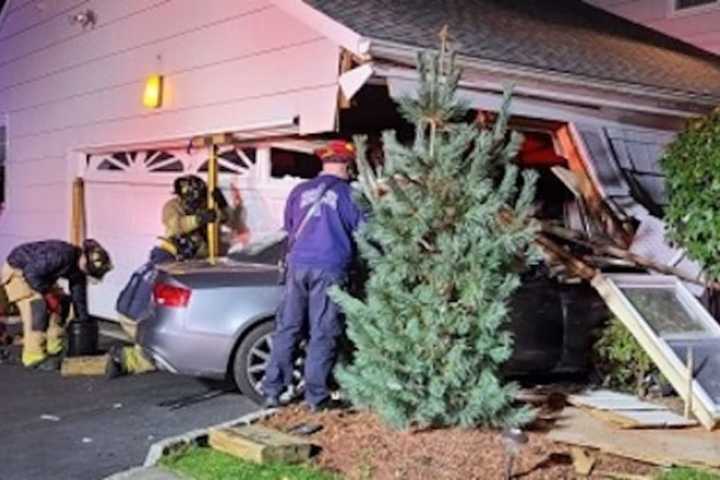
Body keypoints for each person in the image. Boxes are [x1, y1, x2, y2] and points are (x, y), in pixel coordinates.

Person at [106, 174, 242, 377]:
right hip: (144, 313)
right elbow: (175, 225)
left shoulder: (201, 206)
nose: (195, 201)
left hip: (188, 265)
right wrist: (201, 218)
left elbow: (226, 220)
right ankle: (134, 357)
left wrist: (222, 206)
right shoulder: (172, 207)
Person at [262, 140, 363, 411]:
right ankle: (316, 397)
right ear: (347, 164)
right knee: (323, 331)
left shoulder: (299, 191)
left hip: (297, 267)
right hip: (330, 267)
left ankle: (272, 390)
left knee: (289, 328)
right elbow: (367, 234)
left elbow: (290, 229)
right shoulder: (350, 195)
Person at [0, 238, 112, 369]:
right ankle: (33, 355)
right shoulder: (61, 255)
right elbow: (31, 273)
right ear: (84, 256)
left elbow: (79, 296)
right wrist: (48, 295)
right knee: (37, 308)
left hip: (39, 276)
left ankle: (54, 345)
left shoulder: (79, 268)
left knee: (62, 303)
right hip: (19, 271)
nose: (87, 272)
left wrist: (82, 319)